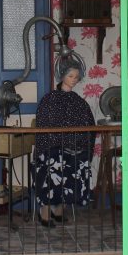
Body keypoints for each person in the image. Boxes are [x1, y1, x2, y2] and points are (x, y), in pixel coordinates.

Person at [32, 61, 95, 228]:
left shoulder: (79, 101)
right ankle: (45, 212)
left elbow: (88, 123)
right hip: (51, 145)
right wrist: (59, 142)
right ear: (62, 76)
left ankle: (59, 210)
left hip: (74, 146)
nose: (74, 79)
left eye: (76, 77)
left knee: (72, 166)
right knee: (51, 166)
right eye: (70, 76)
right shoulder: (49, 99)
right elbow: (44, 123)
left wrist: (77, 144)